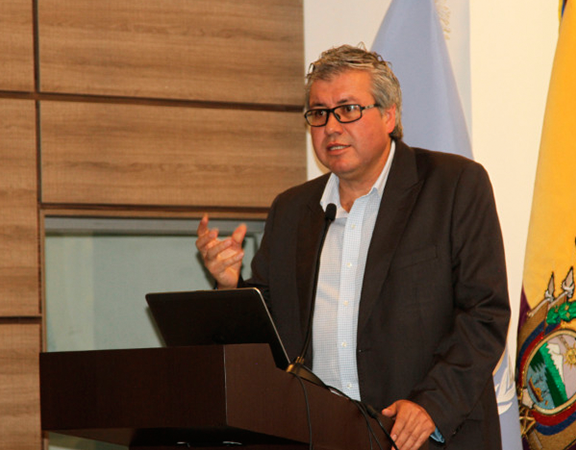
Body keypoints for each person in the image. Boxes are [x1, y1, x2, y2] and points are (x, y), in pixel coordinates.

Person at [196, 44, 510, 450]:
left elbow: (484, 313)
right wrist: (230, 287)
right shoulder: (292, 210)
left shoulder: (453, 185)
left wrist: (432, 406)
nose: (331, 126)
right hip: (318, 436)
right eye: (319, 113)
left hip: (423, 437)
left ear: (389, 115)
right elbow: (268, 335)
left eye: (347, 109)